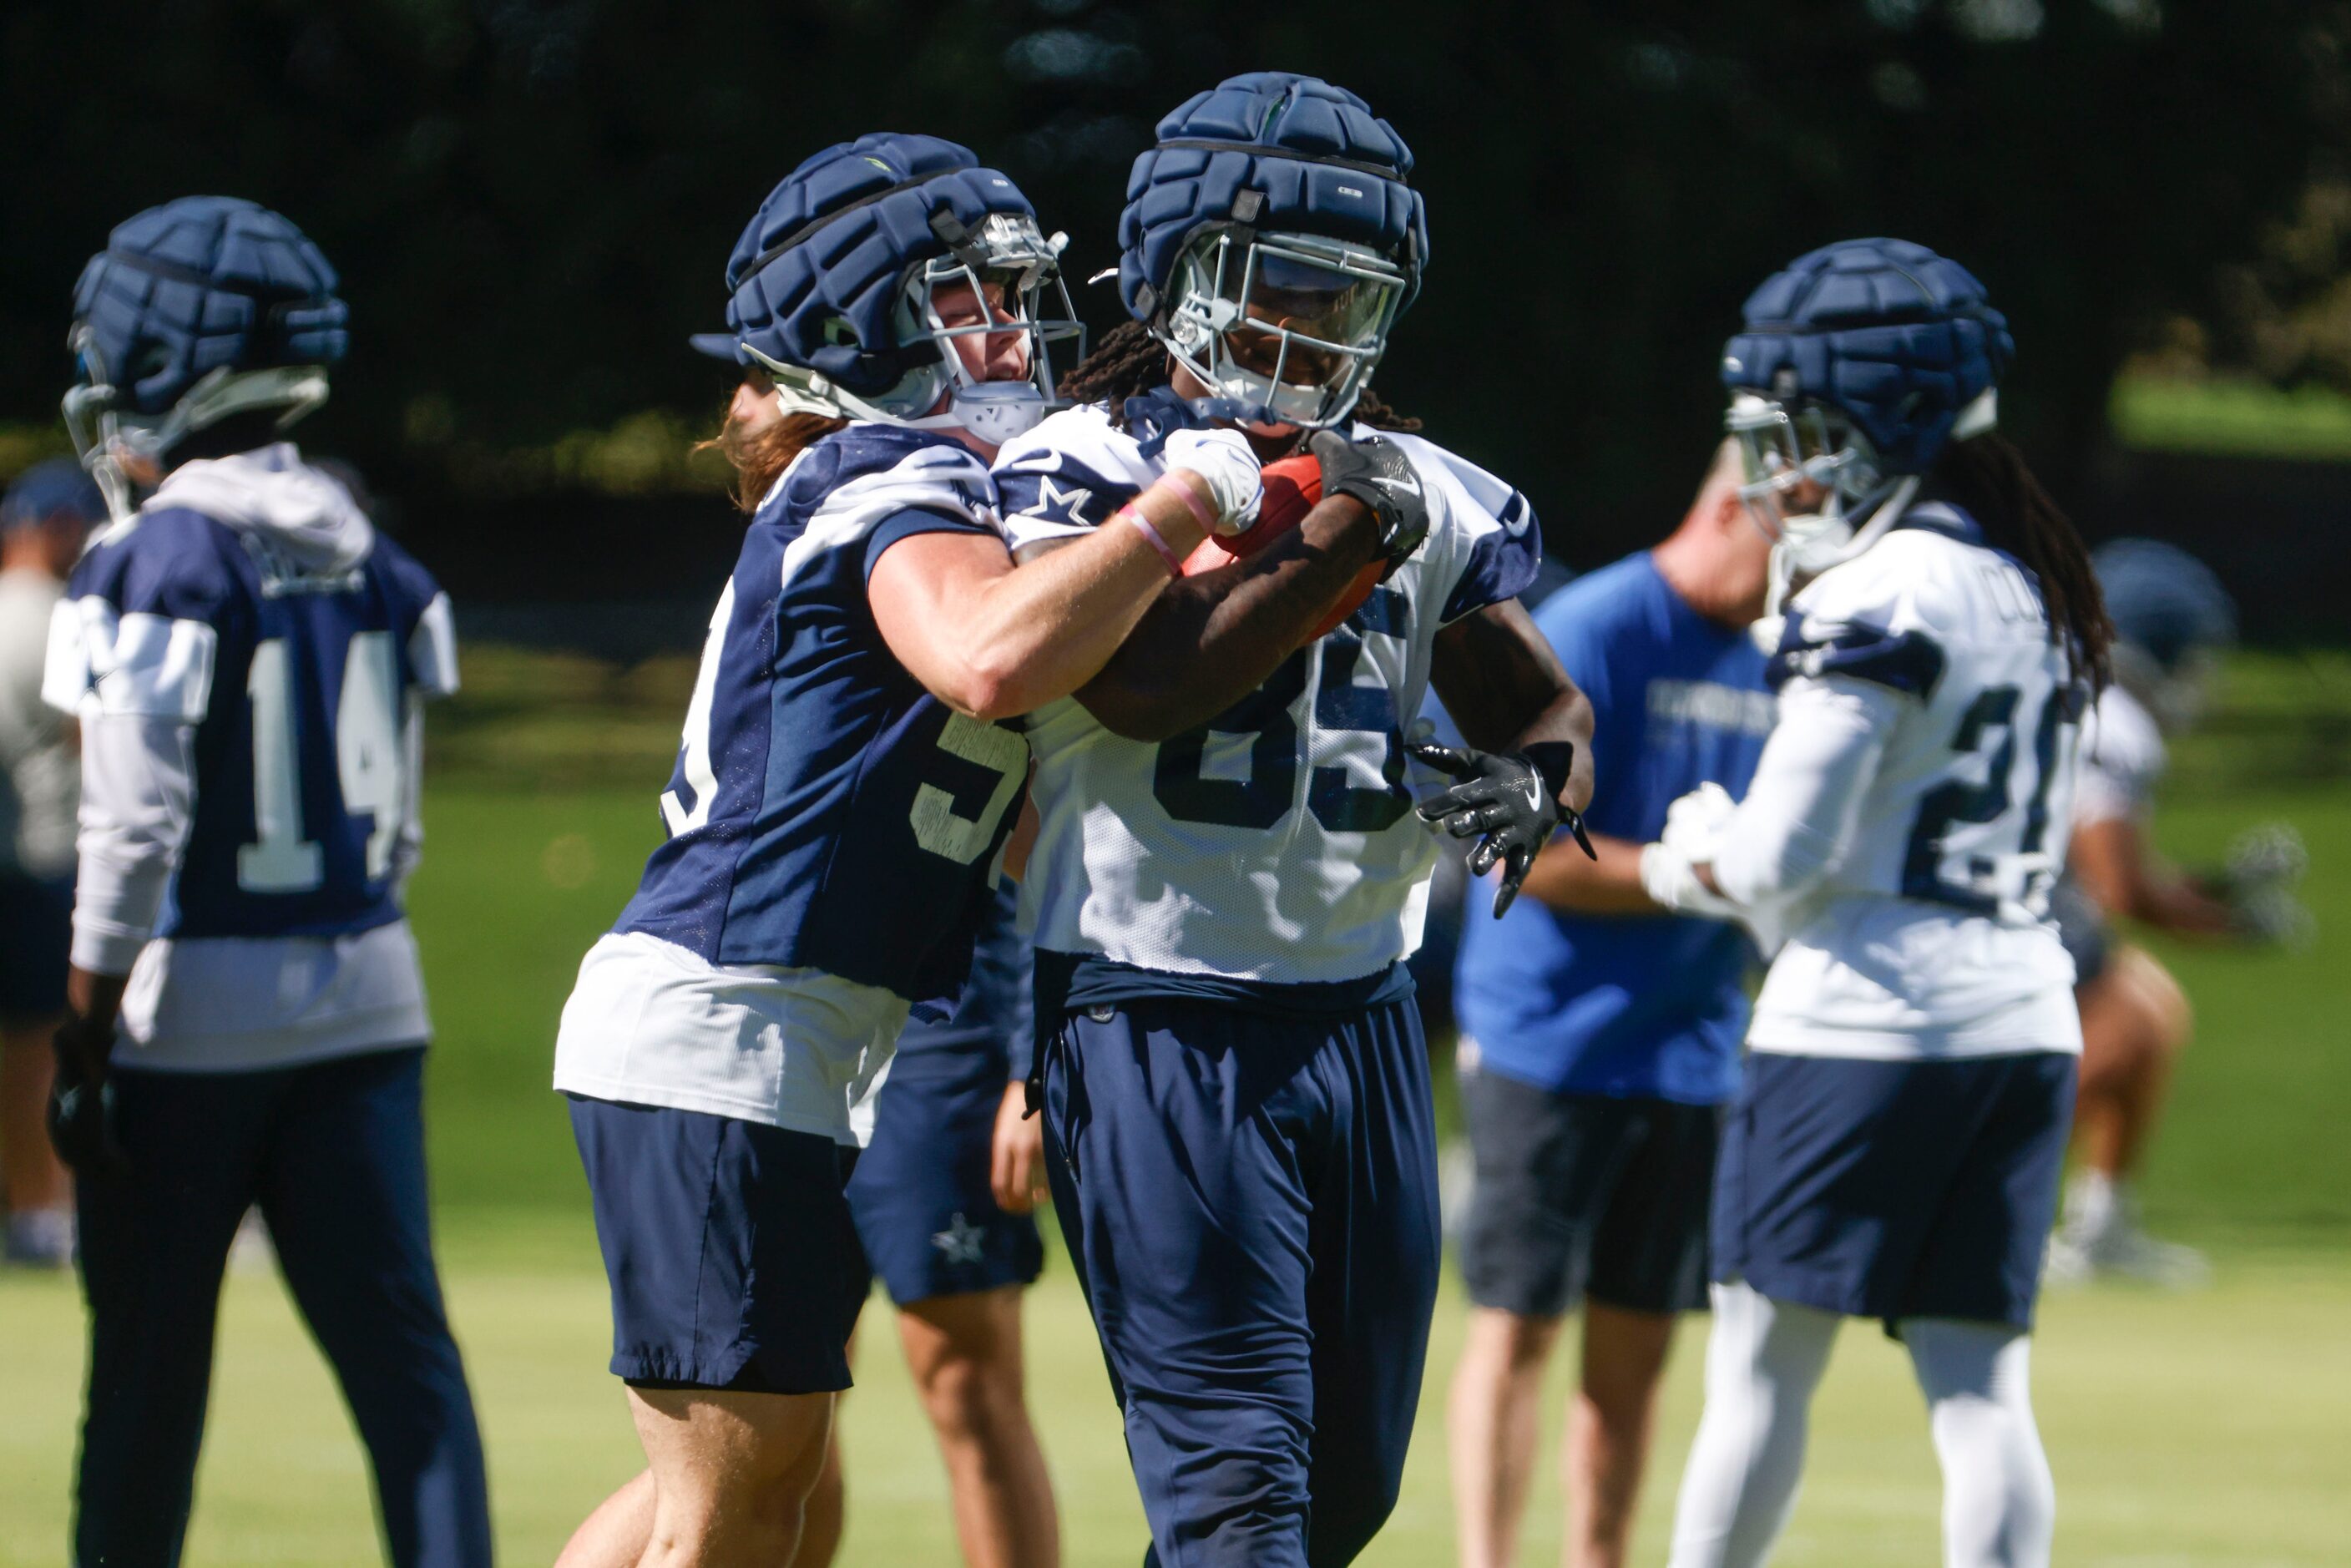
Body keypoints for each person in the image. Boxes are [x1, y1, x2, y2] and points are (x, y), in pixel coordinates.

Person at [548, 132, 1270, 1568]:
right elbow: (991, 661)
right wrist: (1181, 505)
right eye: (971, 299)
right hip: (724, 1025)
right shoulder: (878, 472)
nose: (1014, 330)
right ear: (858, 327)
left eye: (1014, 294)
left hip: (792, 1042)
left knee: (758, 1490)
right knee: (740, 1507)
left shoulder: (945, 495)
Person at [993, 72, 1597, 1567]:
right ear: (1170, 275)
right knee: (1236, 1490)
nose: (1308, 328)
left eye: (1345, 298)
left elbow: (1547, 707)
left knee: (1335, 1497)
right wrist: (1336, 532)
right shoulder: (1087, 468)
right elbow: (1144, 690)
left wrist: (1536, 786)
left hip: (1362, 1015)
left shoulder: (1428, 486)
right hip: (1155, 1009)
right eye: (1274, 286)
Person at [1641, 239, 2111, 1568]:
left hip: (1862, 1013)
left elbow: (1783, 857)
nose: (1779, 469)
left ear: (1881, 423)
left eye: (1804, 432)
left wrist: (1689, 852)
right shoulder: (2036, 584)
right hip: (2023, 1015)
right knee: (1978, 1384)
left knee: (1760, 1366)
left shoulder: (1881, 588)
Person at [42, 196, 491, 1567]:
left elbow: (130, 827)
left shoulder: (156, 556)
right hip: (366, 996)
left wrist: (86, 1025)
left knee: (146, 1381)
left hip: (193, 1014)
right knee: (409, 1380)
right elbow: (398, 818)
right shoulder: (373, 546)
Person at [1446, 440, 1774, 1568]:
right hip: (1553, 1036)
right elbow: (1510, 855)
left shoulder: (1773, 654)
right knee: (1520, 1323)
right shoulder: (1595, 626)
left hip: (1690, 1049)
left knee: (1637, 1350)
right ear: (1737, 506)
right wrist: (1678, 876)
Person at [2045, 539, 2307, 1286]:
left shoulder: (2074, 692)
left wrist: (2214, 887)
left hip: (1991, 903)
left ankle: (2099, 1222)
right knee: (2132, 1023)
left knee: (2149, 1004)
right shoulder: (2114, 718)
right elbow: (2121, 891)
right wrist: (2233, 926)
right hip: (1998, 924)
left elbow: (2108, 869)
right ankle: (1986, 1195)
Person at [1, 459, 105, 1267]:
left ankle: (35, 1205)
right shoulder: (48, 619)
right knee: (46, 1043)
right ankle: (46, 1208)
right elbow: (92, 740)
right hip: (47, 857)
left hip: (18, 857)